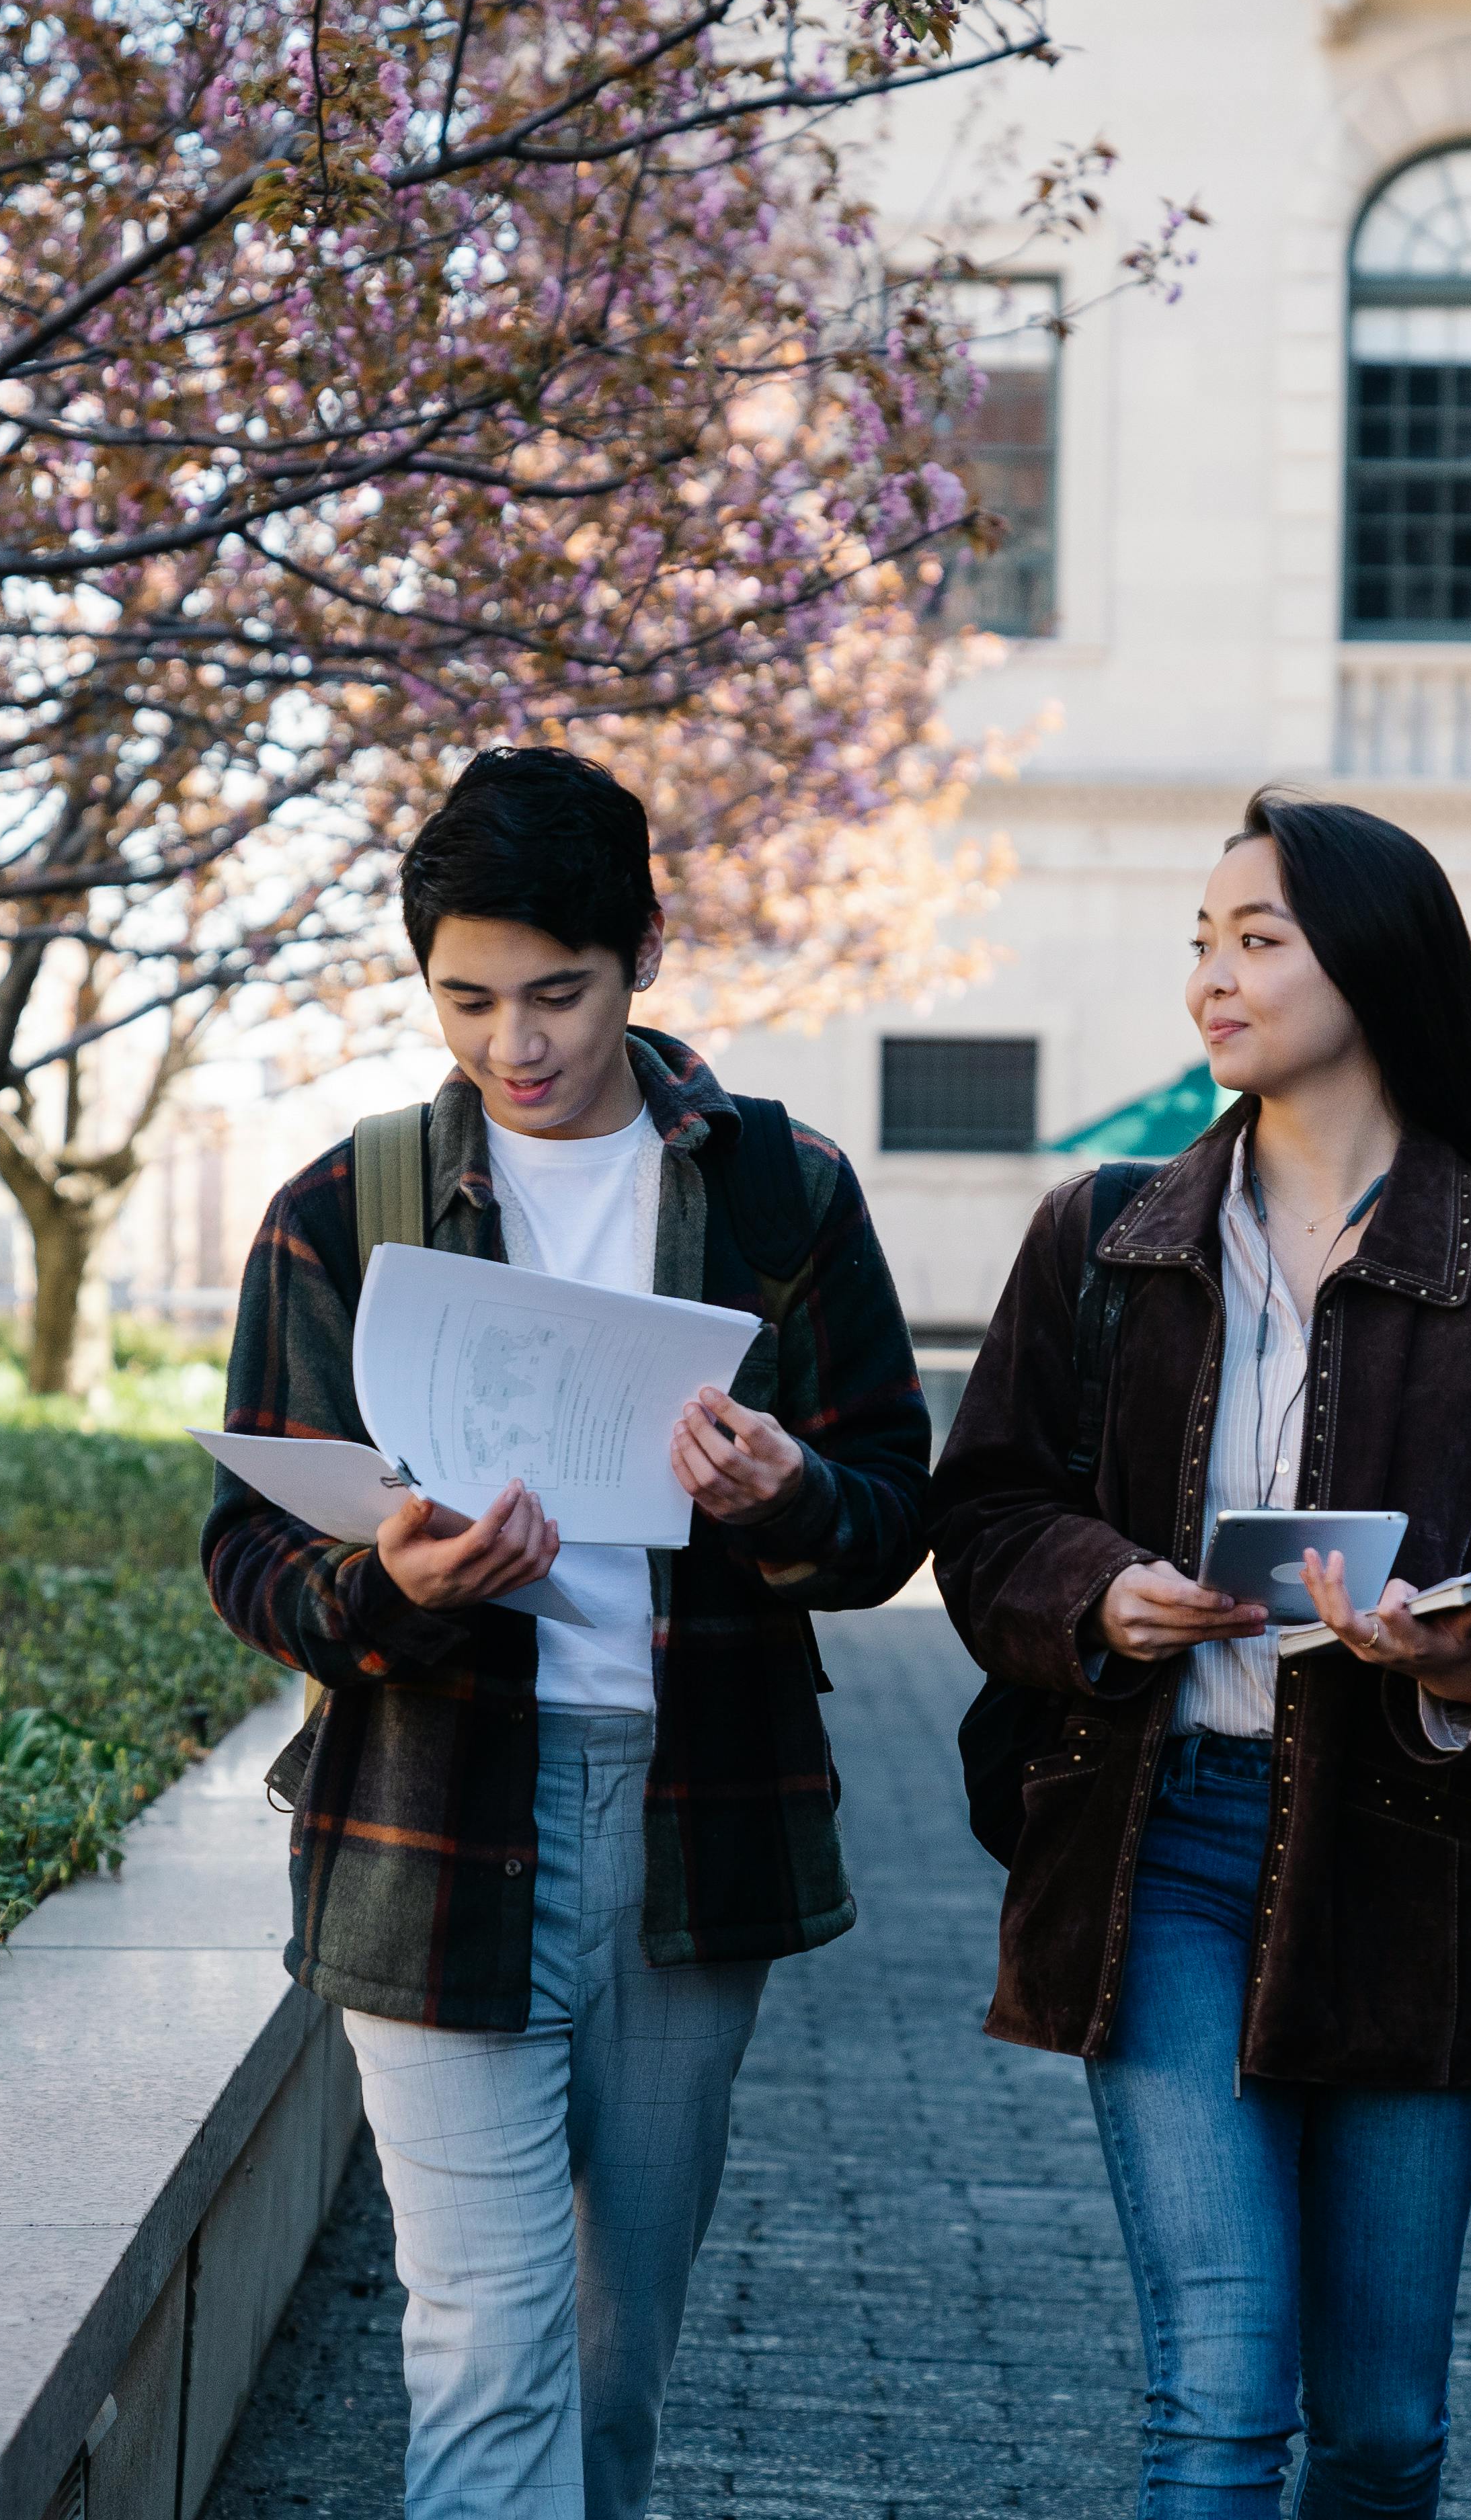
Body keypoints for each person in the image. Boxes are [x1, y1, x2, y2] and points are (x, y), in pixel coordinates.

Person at [202, 747, 932, 2520]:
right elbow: (249, 1549)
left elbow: (894, 1513)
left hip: (694, 1815)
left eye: (558, 993)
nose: (513, 1044)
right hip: (434, 1818)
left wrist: (788, 1498)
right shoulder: (347, 1208)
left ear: (641, 957)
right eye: (467, 1000)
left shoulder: (780, 1192)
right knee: (482, 2339)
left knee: (614, 2353)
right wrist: (394, 1588)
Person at [929, 790, 1471, 2520]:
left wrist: (1461, 1669)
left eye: (1257, 938)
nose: (1213, 974)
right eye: (1201, 941)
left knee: (1383, 2427)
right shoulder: (1107, 1235)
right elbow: (985, 1513)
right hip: (1159, 1838)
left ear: (1377, 965)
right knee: (1220, 2385)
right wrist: (1102, 1592)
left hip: (1413, 1873)